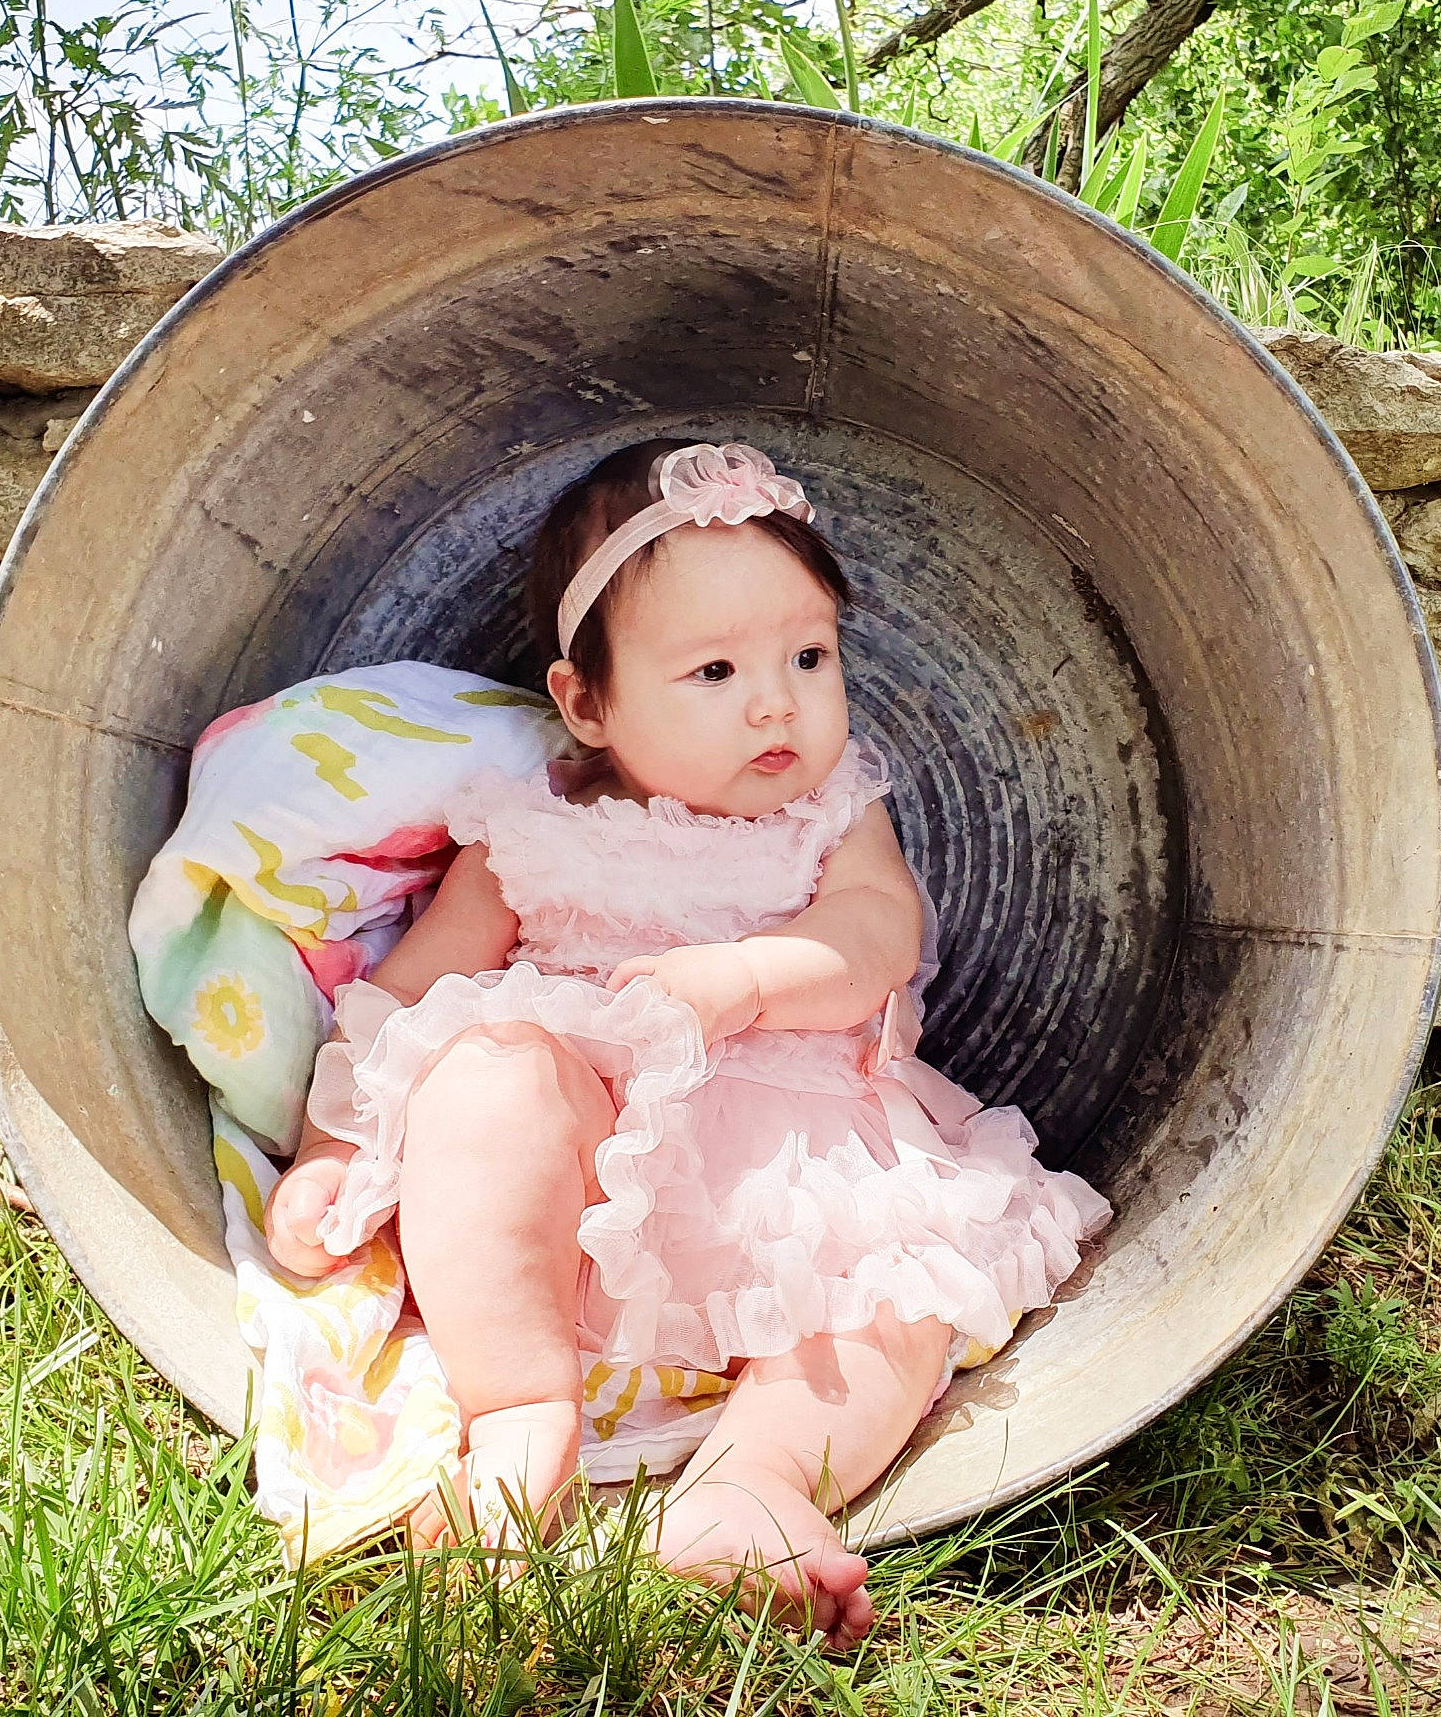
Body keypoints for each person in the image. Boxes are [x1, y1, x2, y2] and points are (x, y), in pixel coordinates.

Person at [265, 437, 1109, 1647]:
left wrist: (752, 978)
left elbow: (877, 933)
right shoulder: (525, 834)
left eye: (808, 656)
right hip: (572, 1202)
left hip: (798, 1180)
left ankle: (750, 1479)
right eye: (713, 669)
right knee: (489, 1072)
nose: (777, 701)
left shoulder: (832, 811)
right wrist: (331, 1145)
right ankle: (519, 1413)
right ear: (586, 702)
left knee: (896, 1288)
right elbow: (404, 993)